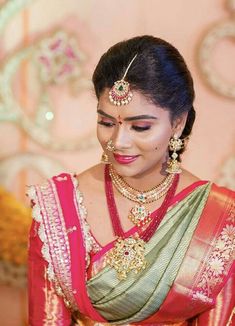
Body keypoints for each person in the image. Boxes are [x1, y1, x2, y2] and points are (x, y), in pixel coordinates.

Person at [27, 35, 235, 326]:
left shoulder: (219, 217)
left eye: (140, 126)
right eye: (106, 123)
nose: (118, 142)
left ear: (178, 123)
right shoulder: (57, 209)